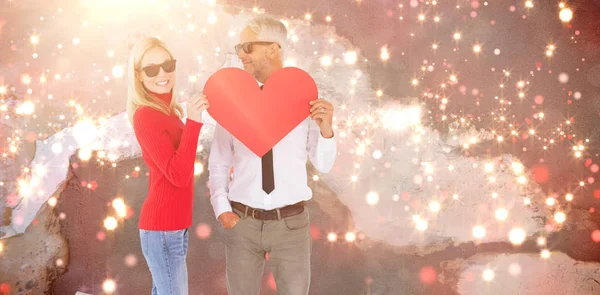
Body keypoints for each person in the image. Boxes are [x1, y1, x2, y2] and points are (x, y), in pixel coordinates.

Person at [208, 15, 336, 295]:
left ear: (273, 49)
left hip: (291, 226)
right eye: (239, 47)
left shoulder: (305, 98)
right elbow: (218, 161)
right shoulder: (232, 101)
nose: (240, 54)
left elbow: (323, 164)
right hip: (243, 223)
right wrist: (222, 209)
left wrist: (326, 130)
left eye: (247, 47)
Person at [127, 37, 209, 295]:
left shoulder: (166, 111)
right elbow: (178, 174)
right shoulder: (146, 115)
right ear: (139, 76)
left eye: (167, 65)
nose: (162, 74)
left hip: (173, 226)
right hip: (163, 227)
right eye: (151, 69)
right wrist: (194, 123)